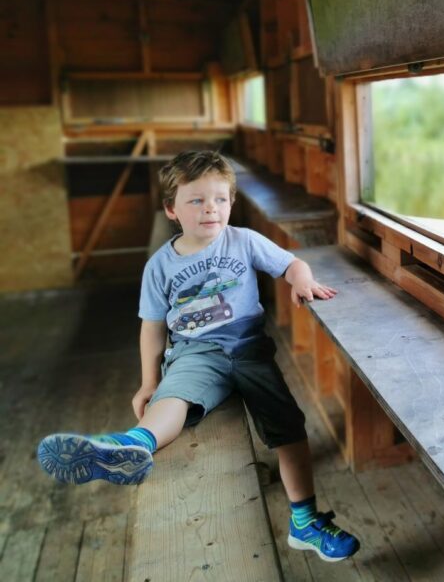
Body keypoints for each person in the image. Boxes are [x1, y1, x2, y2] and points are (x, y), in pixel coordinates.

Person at [37, 150, 359, 563]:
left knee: (289, 426)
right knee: (172, 396)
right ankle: (132, 445)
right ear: (171, 209)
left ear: (231, 203)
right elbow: (152, 327)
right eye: (197, 200)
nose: (211, 208)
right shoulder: (160, 266)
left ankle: (305, 521)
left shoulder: (243, 241)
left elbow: (291, 263)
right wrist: (149, 382)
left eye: (220, 199)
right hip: (195, 350)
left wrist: (302, 280)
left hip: (248, 349)